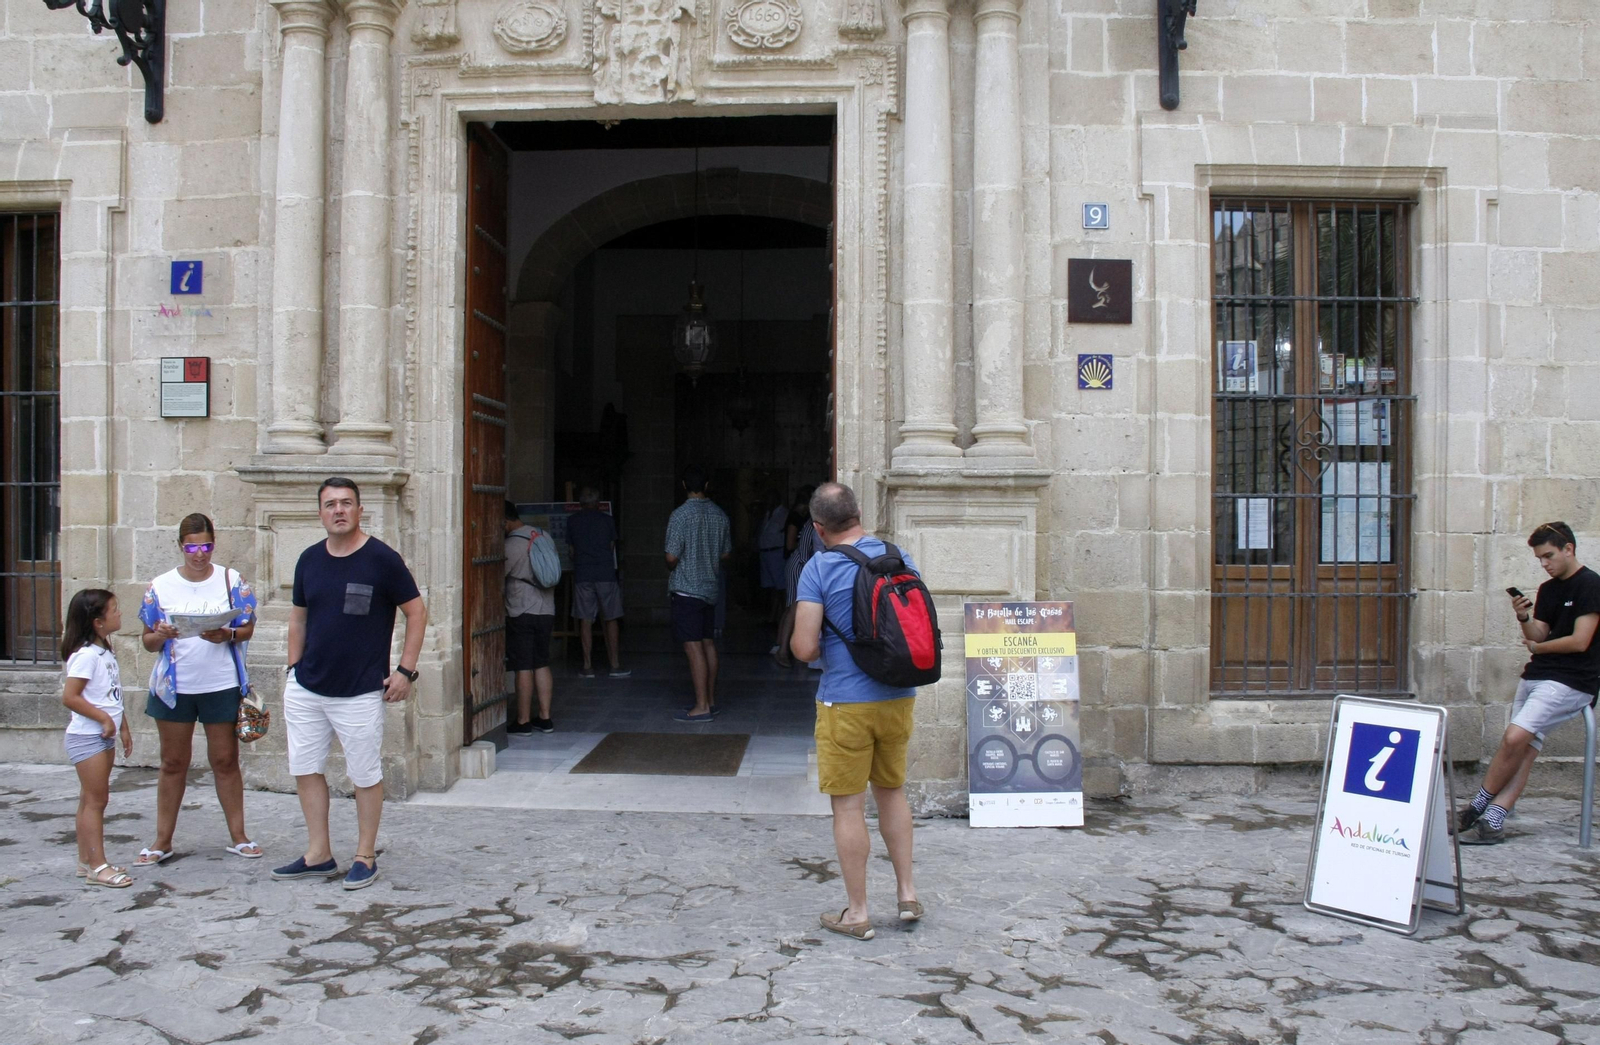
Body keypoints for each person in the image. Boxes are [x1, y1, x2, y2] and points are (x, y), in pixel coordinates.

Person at [272, 478, 427, 890]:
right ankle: (318, 854)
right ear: (320, 513)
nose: (338, 510)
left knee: (364, 774)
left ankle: (365, 856)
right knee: (305, 769)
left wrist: (405, 671)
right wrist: (292, 669)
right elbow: (298, 618)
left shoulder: (382, 559)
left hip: (359, 690)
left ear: (359, 510)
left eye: (346, 503)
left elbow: (417, 612)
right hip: (307, 687)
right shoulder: (308, 559)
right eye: (330, 504)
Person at [791, 482, 921, 940]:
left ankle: (858, 913)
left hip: (845, 702)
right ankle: (907, 894)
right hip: (898, 697)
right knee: (892, 792)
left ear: (817, 527)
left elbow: (804, 647)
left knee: (848, 807)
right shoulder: (898, 555)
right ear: (858, 513)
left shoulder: (819, 567)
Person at [1456, 521, 1600, 845]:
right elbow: (1539, 634)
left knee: (1514, 737)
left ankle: (1478, 804)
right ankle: (1494, 820)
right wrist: (1523, 618)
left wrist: (1538, 648)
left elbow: (1580, 641)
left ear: (1568, 549)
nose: (1544, 564)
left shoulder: (1591, 584)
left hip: (1570, 680)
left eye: (1549, 556)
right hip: (1536, 675)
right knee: (1523, 749)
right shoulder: (1549, 589)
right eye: (1539, 559)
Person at [135, 514, 260, 865]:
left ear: (213, 544)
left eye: (206, 546)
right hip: (175, 687)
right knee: (173, 762)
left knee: (225, 760)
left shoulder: (230, 580)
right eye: (192, 548)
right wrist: (160, 634)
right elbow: (146, 641)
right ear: (180, 546)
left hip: (220, 683)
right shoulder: (161, 586)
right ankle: (162, 840)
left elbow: (247, 626)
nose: (200, 554)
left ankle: (239, 836)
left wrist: (227, 634)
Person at [60, 588, 134, 888]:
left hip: (103, 736)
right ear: (97, 622)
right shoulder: (86, 656)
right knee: (96, 801)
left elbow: (110, 694)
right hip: (88, 738)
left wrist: (123, 725)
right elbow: (70, 697)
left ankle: (86, 860)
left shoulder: (105, 650)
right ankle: (98, 866)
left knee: (89, 799)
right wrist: (103, 718)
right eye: (114, 610)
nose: (119, 613)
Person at [665, 467, 731, 722]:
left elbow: (671, 557)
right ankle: (710, 700)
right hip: (710, 588)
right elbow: (726, 553)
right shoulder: (719, 514)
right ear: (706, 485)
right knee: (707, 643)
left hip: (687, 589)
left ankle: (701, 706)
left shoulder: (679, 516)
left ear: (683, 485)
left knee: (693, 648)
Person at [566, 487, 630, 680]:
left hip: (583, 574)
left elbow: (571, 551)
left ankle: (587, 666)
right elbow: (611, 547)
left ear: (580, 503)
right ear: (598, 503)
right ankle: (615, 665)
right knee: (611, 617)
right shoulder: (607, 521)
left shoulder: (572, 521)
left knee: (585, 619)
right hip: (605, 574)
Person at [504, 500, 556, 734]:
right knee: (542, 662)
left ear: (505, 521)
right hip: (547, 609)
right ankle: (545, 717)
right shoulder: (544, 536)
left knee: (523, 666)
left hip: (521, 609)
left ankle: (523, 721)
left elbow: (498, 576)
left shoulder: (511, 545)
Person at [775, 485, 822, 669]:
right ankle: (783, 650)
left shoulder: (812, 521)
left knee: (791, 608)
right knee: (794, 608)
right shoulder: (813, 522)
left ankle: (782, 647)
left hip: (801, 565)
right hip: (801, 566)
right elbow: (802, 549)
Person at [758, 494, 789, 625]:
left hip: (776, 552)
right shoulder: (767, 514)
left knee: (781, 587)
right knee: (771, 587)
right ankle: (773, 617)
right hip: (765, 552)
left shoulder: (783, 514)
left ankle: (784, 617)